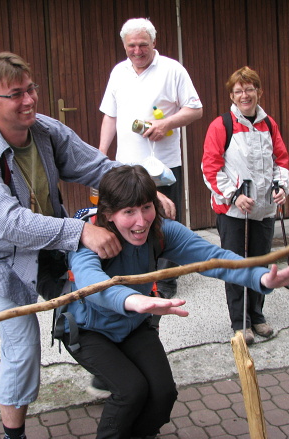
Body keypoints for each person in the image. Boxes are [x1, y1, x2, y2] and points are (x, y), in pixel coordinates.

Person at [0, 52, 174, 439]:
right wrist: (79, 233)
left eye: (31, 89)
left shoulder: (45, 130)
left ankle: (119, 377)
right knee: (22, 347)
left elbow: (96, 166)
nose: (29, 100)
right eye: (16, 94)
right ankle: (13, 434)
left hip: (47, 249)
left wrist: (144, 190)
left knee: (96, 294)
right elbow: (9, 222)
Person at [59, 165, 289, 439]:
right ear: (109, 214)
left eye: (146, 207)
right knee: (131, 391)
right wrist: (133, 300)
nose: (141, 221)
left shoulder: (161, 232)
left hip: (132, 324)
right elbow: (90, 283)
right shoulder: (89, 237)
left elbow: (213, 258)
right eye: (129, 212)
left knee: (163, 393)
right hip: (89, 330)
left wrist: (263, 278)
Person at [98, 17, 203, 300]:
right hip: (124, 167)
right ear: (124, 45)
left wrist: (166, 123)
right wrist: (101, 154)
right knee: (130, 221)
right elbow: (110, 115)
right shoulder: (118, 72)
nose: (137, 50)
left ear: (154, 42)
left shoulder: (172, 69)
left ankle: (166, 281)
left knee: (163, 221)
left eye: (142, 44)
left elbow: (196, 109)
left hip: (163, 168)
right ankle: (135, 277)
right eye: (131, 45)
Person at [201, 66, 289, 343]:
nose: (244, 95)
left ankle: (258, 317)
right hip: (234, 213)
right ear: (232, 95)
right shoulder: (221, 125)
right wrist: (233, 195)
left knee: (260, 266)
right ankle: (241, 322)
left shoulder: (269, 124)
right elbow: (210, 168)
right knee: (237, 267)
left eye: (249, 89)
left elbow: (281, 161)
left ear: (259, 92)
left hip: (264, 210)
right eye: (238, 91)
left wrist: (281, 187)